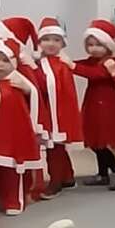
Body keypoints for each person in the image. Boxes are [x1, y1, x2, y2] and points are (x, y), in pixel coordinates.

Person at [0, 35, 46, 214]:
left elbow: (33, 96)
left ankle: (16, 200)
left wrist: (28, 90)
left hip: (15, 132)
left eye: (5, 60)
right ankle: (2, 194)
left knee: (15, 168)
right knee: (0, 167)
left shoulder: (18, 81)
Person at [74, 19, 115, 190]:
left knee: (101, 142)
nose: (93, 48)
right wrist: (65, 63)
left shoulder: (111, 62)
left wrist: (71, 66)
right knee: (95, 140)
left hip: (107, 107)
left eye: (98, 45)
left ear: (108, 46)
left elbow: (95, 74)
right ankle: (103, 174)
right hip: (94, 104)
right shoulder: (93, 60)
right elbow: (84, 65)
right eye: (90, 45)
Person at [37, 17, 81, 194]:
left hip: (57, 112)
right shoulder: (41, 62)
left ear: (63, 43)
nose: (51, 44)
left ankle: (56, 181)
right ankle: (68, 177)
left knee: (54, 147)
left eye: (56, 40)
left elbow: (59, 90)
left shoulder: (62, 64)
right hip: (48, 109)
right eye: (46, 39)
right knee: (57, 147)